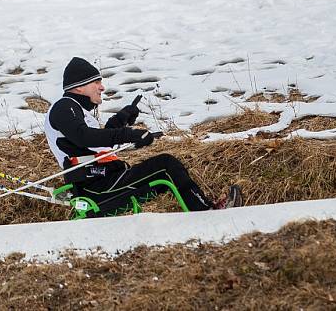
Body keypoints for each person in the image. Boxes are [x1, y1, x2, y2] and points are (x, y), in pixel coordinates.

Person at [45, 57, 242, 217]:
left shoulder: (75, 109)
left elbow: (93, 145)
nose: (102, 87)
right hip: (95, 188)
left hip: (104, 180)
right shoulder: (64, 106)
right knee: (166, 164)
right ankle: (208, 214)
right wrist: (128, 134)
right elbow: (84, 137)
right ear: (79, 87)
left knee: (167, 168)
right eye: (96, 82)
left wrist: (121, 120)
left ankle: (204, 211)